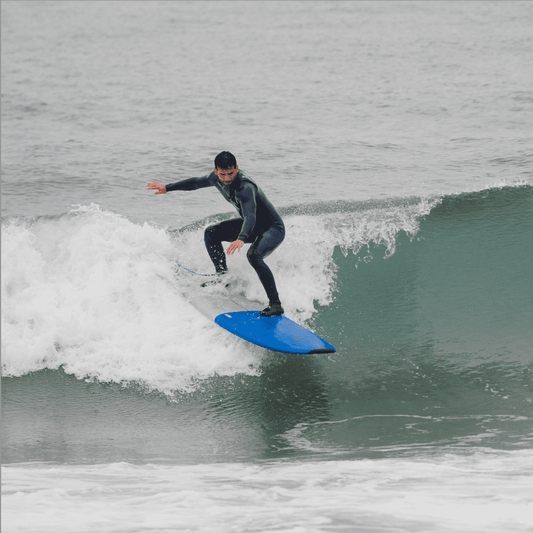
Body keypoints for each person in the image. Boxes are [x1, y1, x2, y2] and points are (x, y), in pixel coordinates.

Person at [146, 151, 285, 316]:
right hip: (253, 226)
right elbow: (195, 183)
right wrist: (167, 187)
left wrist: (241, 238)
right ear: (216, 171)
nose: (226, 178)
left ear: (237, 169)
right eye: (222, 174)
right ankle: (222, 277)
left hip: (272, 228)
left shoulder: (245, 187)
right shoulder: (215, 178)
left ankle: (276, 304)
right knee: (211, 232)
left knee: (254, 255)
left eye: (230, 174)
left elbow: (250, 215)